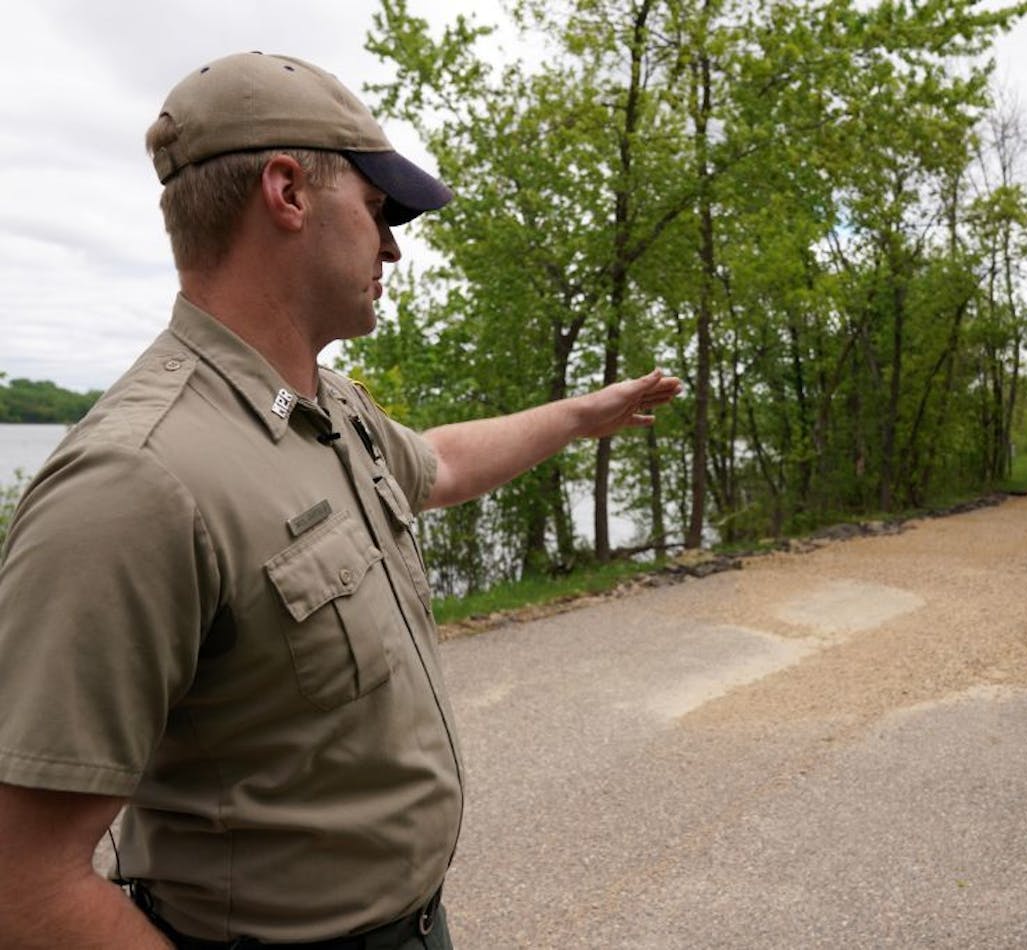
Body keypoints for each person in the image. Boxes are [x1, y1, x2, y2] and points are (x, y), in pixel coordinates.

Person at [0, 51, 680, 949]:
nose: (393, 245)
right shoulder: (137, 480)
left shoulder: (319, 404)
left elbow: (436, 467)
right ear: (287, 193)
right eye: (377, 209)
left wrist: (577, 416)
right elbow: (23, 884)